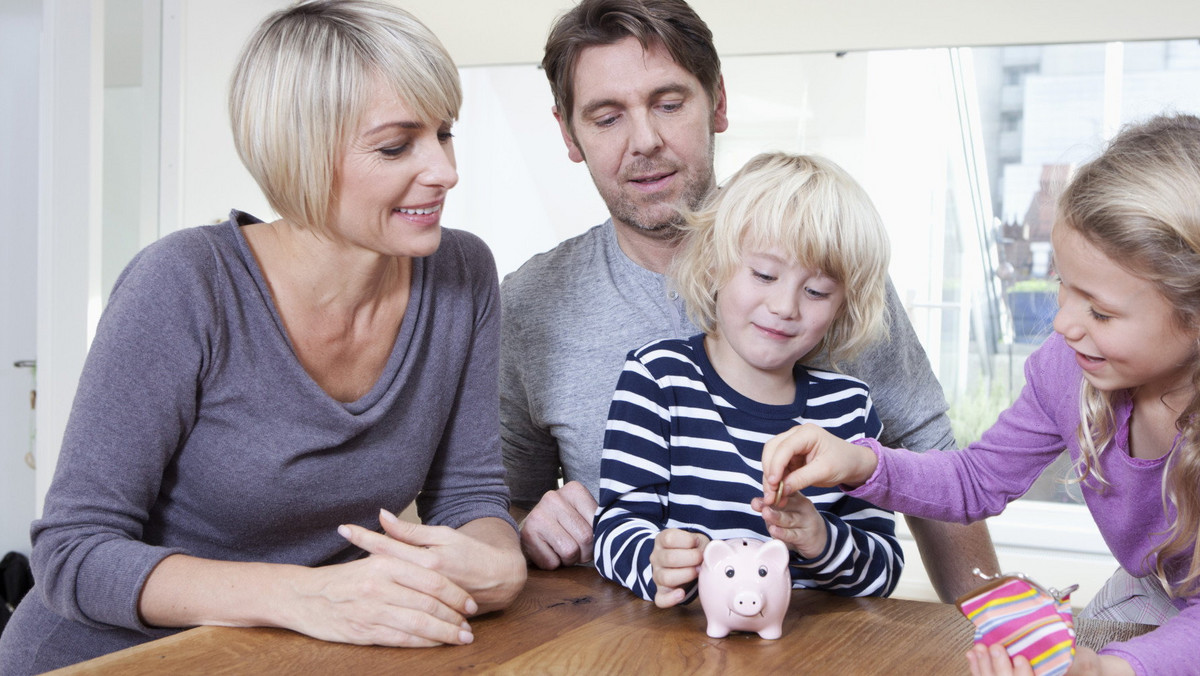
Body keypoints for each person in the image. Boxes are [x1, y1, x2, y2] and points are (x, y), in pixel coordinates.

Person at [0, 2, 525, 672]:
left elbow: (468, 498)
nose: (445, 170)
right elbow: (71, 553)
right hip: (105, 658)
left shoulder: (461, 273)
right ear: (300, 153)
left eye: (445, 134)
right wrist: (306, 596)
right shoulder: (184, 284)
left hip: (286, 656)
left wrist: (498, 561)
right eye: (397, 145)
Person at [499, 0, 999, 601]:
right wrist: (528, 524)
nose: (645, 141)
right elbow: (503, 499)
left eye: (669, 103)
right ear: (568, 134)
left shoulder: (821, 256)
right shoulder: (530, 303)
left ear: (719, 103)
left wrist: (993, 621)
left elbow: (926, 459)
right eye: (607, 118)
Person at [760, 113, 1200, 676]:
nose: (1063, 324)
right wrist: (858, 462)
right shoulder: (1069, 372)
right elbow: (975, 481)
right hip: (1156, 592)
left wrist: (1109, 670)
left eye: (1100, 311)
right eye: (1063, 284)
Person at [593, 152, 903, 606]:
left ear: (843, 307)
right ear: (715, 263)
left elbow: (885, 570)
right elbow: (615, 530)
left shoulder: (849, 409)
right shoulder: (658, 379)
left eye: (816, 291)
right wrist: (655, 564)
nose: (785, 306)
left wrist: (822, 541)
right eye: (764, 274)